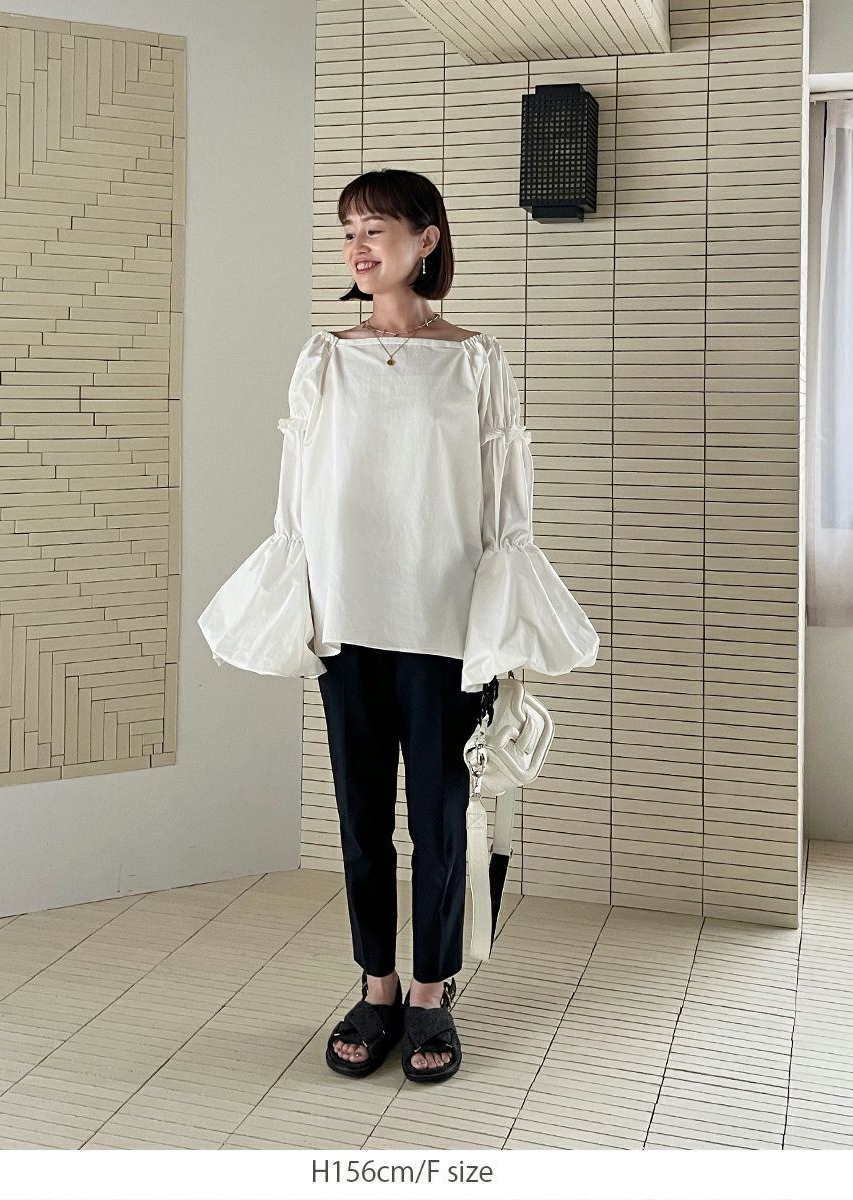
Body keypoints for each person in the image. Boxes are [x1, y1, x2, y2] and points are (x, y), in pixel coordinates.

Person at [197, 169, 599, 1084]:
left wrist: (501, 625)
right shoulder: (323, 358)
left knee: (442, 820)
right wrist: (299, 601)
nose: (358, 246)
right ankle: (376, 986)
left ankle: (431, 991)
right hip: (347, 618)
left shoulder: (474, 360)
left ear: (427, 239)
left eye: (375, 228)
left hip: (444, 623)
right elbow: (295, 502)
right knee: (361, 820)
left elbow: (505, 506)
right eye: (348, 231)